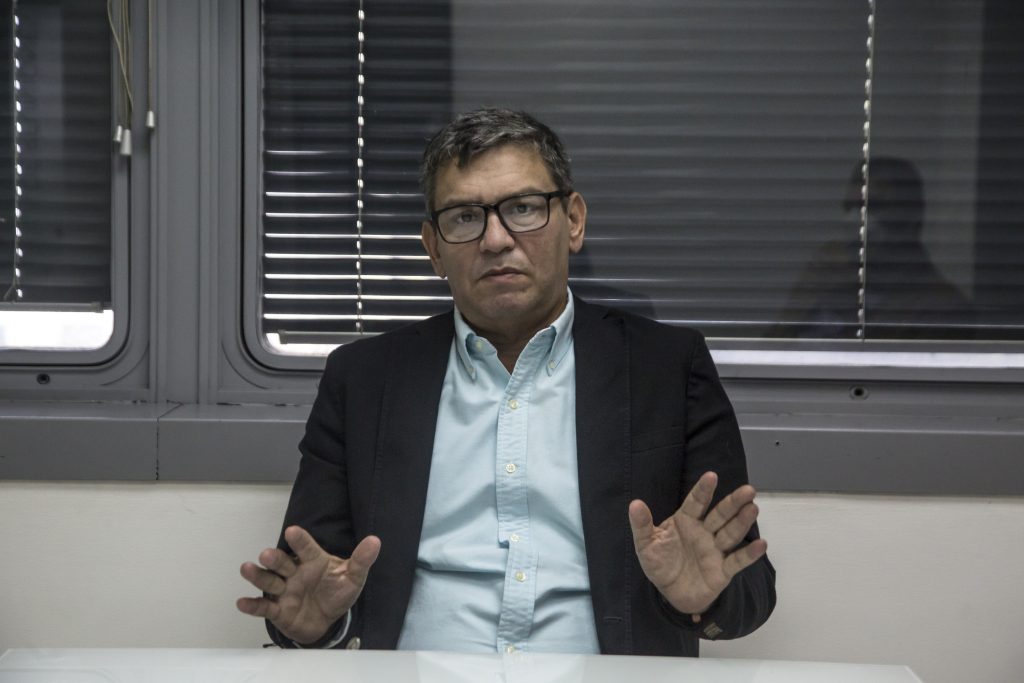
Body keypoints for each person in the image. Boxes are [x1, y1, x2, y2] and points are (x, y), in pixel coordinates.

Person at [237, 108, 776, 656]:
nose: (496, 239)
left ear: (573, 220)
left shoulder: (667, 366)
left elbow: (749, 588)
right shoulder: (364, 379)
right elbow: (308, 588)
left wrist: (703, 599)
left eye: (523, 208)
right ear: (433, 248)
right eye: (464, 217)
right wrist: (317, 626)